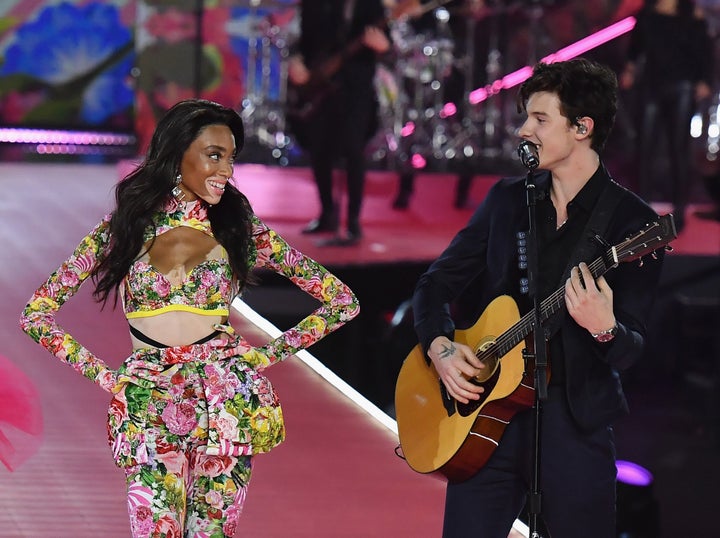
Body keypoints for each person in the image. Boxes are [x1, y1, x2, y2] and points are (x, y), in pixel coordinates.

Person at [19, 99, 360, 537]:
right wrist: (106, 377)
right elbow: (37, 314)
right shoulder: (124, 226)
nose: (226, 170)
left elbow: (341, 301)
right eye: (214, 155)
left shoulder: (240, 228)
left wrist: (261, 359)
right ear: (177, 154)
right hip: (147, 402)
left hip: (225, 401)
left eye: (231, 157)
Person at [410, 59, 666, 537]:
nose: (523, 130)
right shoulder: (507, 200)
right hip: (486, 421)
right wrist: (441, 348)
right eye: (526, 117)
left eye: (540, 119)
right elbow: (434, 286)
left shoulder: (633, 224)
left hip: (576, 428)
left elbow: (634, 351)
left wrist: (603, 327)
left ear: (582, 128)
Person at [287, 0, 390, 245]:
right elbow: (301, 42)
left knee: (354, 150)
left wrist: (382, 46)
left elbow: (387, 43)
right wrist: (296, 62)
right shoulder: (314, 5)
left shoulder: (370, 5)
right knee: (319, 149)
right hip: (320, 85)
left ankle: (353, 221)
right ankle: (327, 214)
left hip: (356, 88)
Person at [619, 0, 715, 231]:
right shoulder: (648, 15)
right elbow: (636, 47)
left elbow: (704, 50)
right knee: (645, 149)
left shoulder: (693, 16)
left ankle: (679, 210)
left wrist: (704, 80)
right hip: (651, 86)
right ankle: (641, 207)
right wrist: (630, 69)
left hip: (682, 87)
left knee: (678, 149)